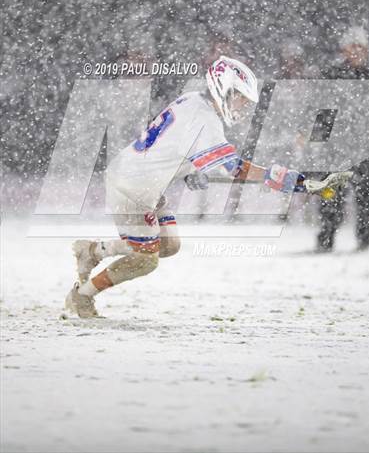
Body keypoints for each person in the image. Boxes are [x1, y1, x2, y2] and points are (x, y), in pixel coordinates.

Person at [65, 56, 304, 318]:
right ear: (224, 88)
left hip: (142, 182)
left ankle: (92, 251)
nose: (243, 107)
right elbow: (235, 168)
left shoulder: (192, 99)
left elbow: (174, 141)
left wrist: (191, 169)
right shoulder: (206, 120)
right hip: (132, 187)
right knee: (146, 260)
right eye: (241, 99)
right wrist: (275, 177)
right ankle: (82, 296)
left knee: (169, 245)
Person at [316, 26, 369, 252]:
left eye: (361, 47)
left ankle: (367, 239)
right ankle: (326, 237)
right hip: (337, 148)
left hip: (367, 148)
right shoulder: (331, 77)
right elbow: (320, 109)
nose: (357, 51)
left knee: (368, 195)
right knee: (331, 195)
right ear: (344, 49)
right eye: (353, 46)